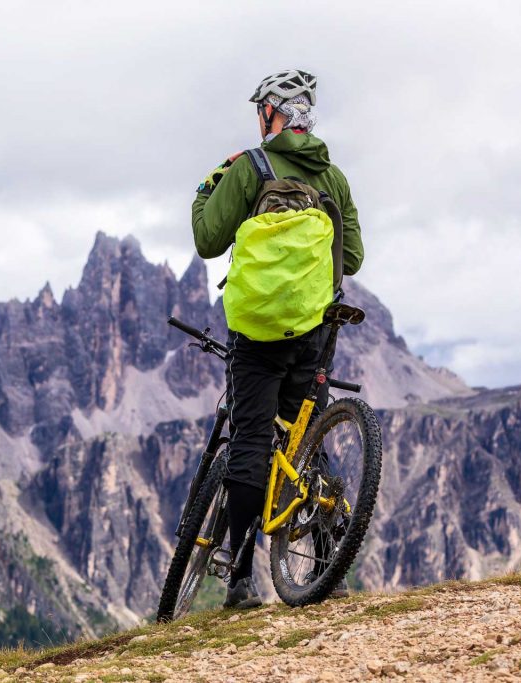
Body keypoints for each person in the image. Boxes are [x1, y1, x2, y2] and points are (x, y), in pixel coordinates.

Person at [190, 69, 364, 609]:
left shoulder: (249, 168)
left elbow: (206, 240)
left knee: (250, 443)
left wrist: (207, 189)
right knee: (302, 440)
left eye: (261, 110)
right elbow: (352, 257)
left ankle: (238, 579)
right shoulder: (332, 179)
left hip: (257, 335)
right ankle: (325, 552)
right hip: (311, 331)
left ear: (275, 114)